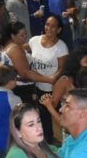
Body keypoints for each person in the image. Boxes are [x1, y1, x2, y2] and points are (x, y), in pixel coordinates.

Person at [28, 14, 68, 144]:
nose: (49, 28)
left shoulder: (61, 47)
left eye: (53, 26)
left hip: (54, 89)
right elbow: (19, 49)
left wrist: (53, 78)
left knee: (60, 116)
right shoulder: (34, 40)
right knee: (43, 118)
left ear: (59, 30)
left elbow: (62, 68)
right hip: (38, 87)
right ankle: (48, 142)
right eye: (47, 25)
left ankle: (69, 142)